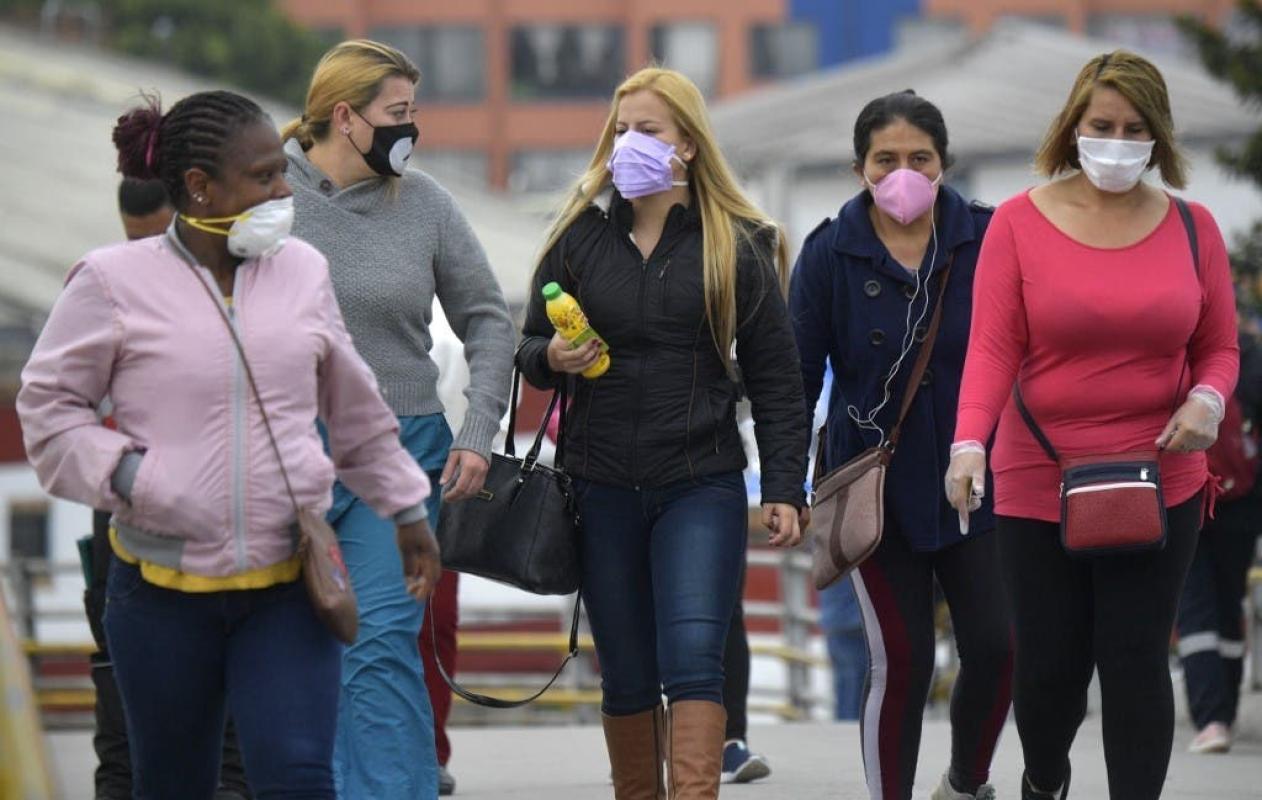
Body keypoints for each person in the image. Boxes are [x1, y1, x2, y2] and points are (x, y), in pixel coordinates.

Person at [17, 89, 440, 800]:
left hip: (288, 586)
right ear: (199, 187)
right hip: (159, 595)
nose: (285, 191)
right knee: (173, 785)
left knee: (299, 780)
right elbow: (47, 411)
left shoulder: (302, 270)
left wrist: (406, 510)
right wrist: (134, 477)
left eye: (283, 172)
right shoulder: (110, 282)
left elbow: (355, 407)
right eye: (264, 176)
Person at [946, 51, 1239, 800]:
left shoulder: (1194, 227)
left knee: (1136, 660)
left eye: (1135, 129)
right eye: (1102, 125)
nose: (1117, 142)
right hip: (1039, 479)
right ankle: (1044, 780)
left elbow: (1219, 347)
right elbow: (991, 347)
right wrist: (969, 442)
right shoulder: (1016, 223)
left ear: (1158, 136)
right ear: (1072, 126)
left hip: (1159, 477)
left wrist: (1207, 402)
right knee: (1050, 671)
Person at [517, 66, 810, 800]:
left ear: (687, 145)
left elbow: (778, 378)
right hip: (599, 484)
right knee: (625, 674)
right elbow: (526, 346)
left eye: (647, 130)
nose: (628, 143)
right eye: (620, 130)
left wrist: (784, 486)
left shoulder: (734, 244)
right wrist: (552, 357)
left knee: (693, 659)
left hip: (699, 482)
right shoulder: (578, 239)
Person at [280, 40, 515, 800]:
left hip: (401, 449)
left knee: (379, 640)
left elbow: (489, 319)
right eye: (398, 112)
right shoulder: (264, 194)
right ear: (345, 117)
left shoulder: (425, 203)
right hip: (287, 453)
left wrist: (478, 430)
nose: (411, 129)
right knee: (292, 646)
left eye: (414, 110)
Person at [790, 90, 1013, 800]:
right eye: (885, 159)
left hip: (979, 481)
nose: (903, 174)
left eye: (920, 158)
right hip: (874, 490)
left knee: (999, 646)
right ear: (859, 167)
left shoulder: (991, 237)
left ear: (944, 163)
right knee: (903, 659)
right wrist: (785, 489)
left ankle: (965, 783)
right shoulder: (829, 252)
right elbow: (795, 382)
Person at [79, 179, 251, 800]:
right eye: (135, 240)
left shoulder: (238, 286)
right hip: (126, 499)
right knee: (119, 653)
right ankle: (118, 786)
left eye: (157, 237)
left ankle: (230, 786)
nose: (147, 253)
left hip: (221, 495)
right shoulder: (108, 288)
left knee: (227, 636)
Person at [1176, 331, 1262, 754]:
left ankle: (1211, 718)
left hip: (1185, 492)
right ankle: (1222, 711)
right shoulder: (1247, 353)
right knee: (1228, 602)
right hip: (1240, 501)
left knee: (1194, 605)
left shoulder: (1176, 346)